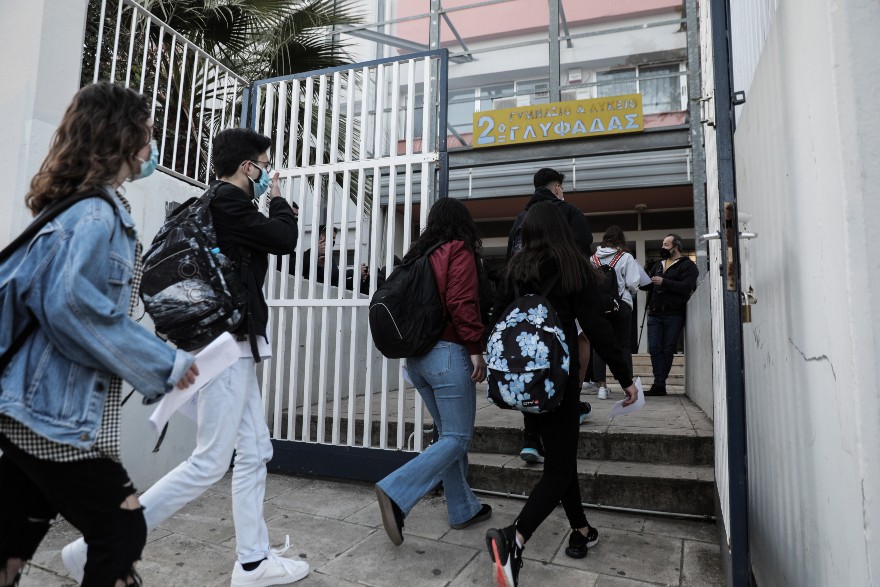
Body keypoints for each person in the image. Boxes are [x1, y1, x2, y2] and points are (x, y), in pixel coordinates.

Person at [61, 127, 305, 586]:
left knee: (255, 449)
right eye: (264, 164)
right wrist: (278, 201)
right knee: (209, 461)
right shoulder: (228, 202)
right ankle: (100, 546)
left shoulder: (207, 205)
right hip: (223, 346)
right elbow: (282, 238)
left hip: (226, 343)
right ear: (248, 166)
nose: (267, 171)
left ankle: (253, 562)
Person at [0, 82, 199, 587]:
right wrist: (165, 363)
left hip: (33, 403)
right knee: (120, 529)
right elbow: (72, 305)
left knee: (17, 530)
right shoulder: (95, 212)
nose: (152, 143)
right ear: (122, 135)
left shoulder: (79, 206)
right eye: (148, 132)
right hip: (51, 411)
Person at [485, 202, 638, 587]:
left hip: (525, 380)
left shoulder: (515, 269)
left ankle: (582, 529)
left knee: (560, 457)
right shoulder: (574, 267)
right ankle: (514, 537)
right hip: (560, 379)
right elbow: (597, 328)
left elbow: (497, 320)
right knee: (558, 467)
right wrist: (625, 377)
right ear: (561, 229)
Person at [374, 197, 491, 545]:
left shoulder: (418, 255)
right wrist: (475, 349)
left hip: (418, 360)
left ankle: (463, 509)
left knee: (447, 438)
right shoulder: (458, 250)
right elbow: (461, 302)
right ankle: (396, 490)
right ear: (463, 223)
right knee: (458, 437)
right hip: (448, 354)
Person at [507, 168, 595, 464]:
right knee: (564, 363)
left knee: (531, 369)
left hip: (525, 311)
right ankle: (564, 419)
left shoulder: (520, 219)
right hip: (561, 308)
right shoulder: (568, 212)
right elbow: (583, 247)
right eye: (562, 188)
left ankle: (531, 439)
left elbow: (510, 261)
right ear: (557, 188)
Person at [640, 233, 698, 396]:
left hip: (674, 314)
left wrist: (664, 282)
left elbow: (687, 287)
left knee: (667, 349)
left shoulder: (688, 266)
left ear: (676, 247)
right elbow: (648, 285)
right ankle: (659, 383)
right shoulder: (658, 265)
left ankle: (659, 384)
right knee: (654, 348)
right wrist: (639, 278)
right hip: (655, 313)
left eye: (666, 245)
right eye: (662, 244)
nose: (662, 247)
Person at [590, 226, 641, 400]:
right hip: (621, 305)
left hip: (598, 307)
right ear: (621, 240)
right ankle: (627, 386)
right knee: (623, 345)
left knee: (599, 345)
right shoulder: (625, 257)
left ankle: (601, 387)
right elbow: (633, 283)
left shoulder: (593, 259)